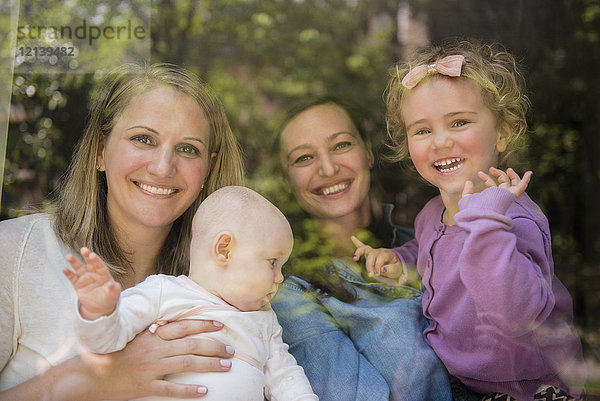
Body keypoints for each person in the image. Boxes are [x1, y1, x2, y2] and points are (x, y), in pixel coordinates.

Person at [352, 39, 586, 401]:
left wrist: (486, 219)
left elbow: (515, 315)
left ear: (504, 131)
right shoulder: (432, 213)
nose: (440, 141)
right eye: (422, 130)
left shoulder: (511, 219)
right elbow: (433, 251)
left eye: (459, 122)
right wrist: (402, 260)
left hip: (526, 387)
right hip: (461, 380)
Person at [0, 63, 245, 400]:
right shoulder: (14, 252)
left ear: (209, 168)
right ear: (101, 151)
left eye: (188, 148)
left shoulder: (226, 285)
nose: (162, 167)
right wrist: (95, 378)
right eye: (143, 139)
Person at [270, 96, 453, 401]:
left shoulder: (429, 240)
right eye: (303, 158)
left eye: (341, 145)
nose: (328, 169)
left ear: (367, 151)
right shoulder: (294, 296)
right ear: (286, 181)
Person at [63, 186, 317, 401]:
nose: (281, 277)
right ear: (225, 250)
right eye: (273, 262)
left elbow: (286, 379)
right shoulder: (165, 293)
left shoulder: (264, 321)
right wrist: (100, 312)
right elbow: (105, 343)